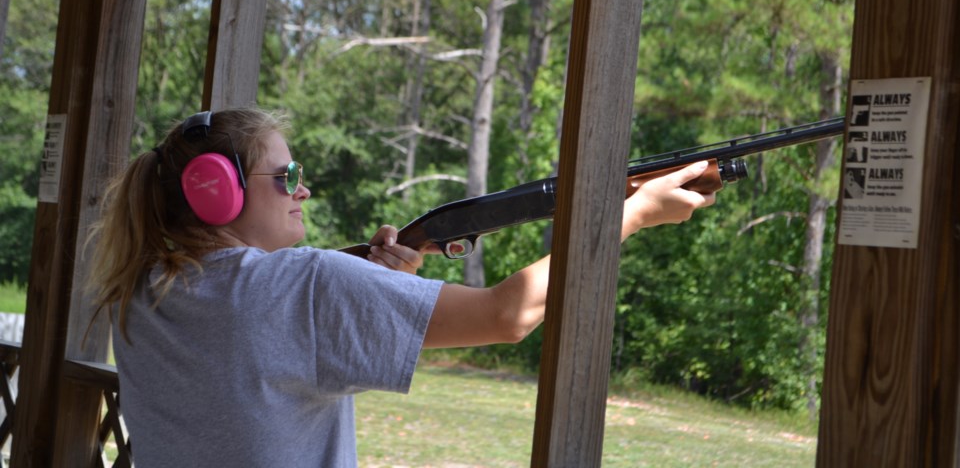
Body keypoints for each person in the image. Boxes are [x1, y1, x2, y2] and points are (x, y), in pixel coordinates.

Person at [87, 107, 716, 467]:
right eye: (286, 175)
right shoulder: (306, 284)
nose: (303, 189)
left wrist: (370, 284)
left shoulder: (141, 290)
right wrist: (629, 215)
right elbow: (507, 315)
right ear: (215, 193)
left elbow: (258, 377)